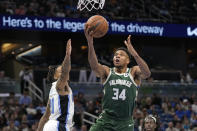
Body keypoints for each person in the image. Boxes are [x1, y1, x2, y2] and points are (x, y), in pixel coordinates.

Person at [84, 25, 151, 131]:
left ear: (128, 60)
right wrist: (90, 43)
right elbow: (94, 66)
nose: (117, 56)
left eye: (121, 55)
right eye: (115, 55)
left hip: (125, 122)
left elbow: (147, 73)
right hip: (106, 119)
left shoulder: (133, 72)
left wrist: (134, 54)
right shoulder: (107, 71)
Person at [37, 39, 74, 131]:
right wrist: (67, 55)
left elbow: (45, 117)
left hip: (50, 126)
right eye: (60, 72)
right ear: (55, 76)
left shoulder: (53, 92)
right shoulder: (59, 86)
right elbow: (66, 71)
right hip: (58, 126)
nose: (64, 73)